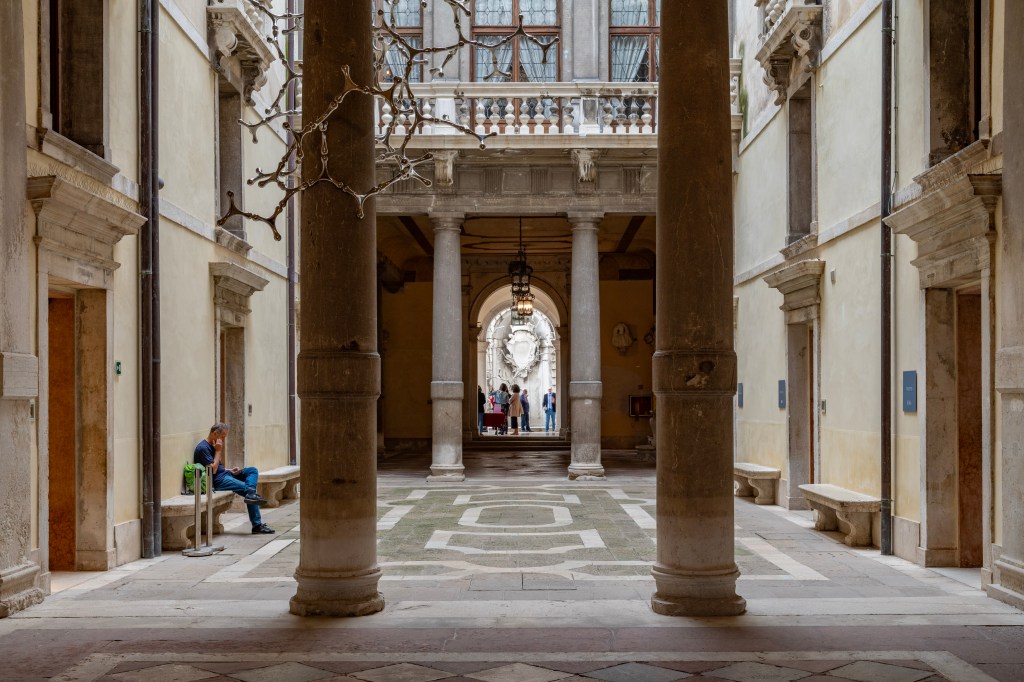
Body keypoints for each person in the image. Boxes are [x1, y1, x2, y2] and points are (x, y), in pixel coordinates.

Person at [193, 423, 275, 534]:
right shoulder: (203, 448)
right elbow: (212, 471)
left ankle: (250, 492)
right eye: (222, 436)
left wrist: (229, 470)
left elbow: (218, 467)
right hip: (218, 481)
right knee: (250, 492)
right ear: (214, 433)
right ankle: (257, 525)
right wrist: (218, 451)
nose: (223, 439)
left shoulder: (214, 444)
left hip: (225, 474)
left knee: (252, 471)